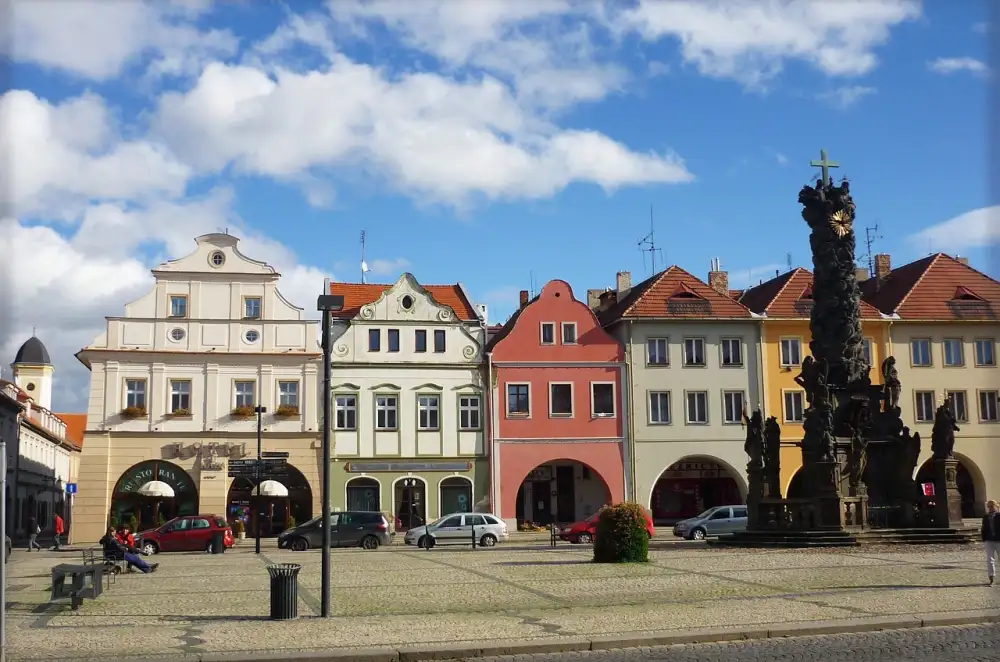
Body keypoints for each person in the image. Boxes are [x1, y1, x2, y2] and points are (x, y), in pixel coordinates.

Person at [983, 499, 1000, 586]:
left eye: (992, 506)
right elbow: (983, 528)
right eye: (989, 507)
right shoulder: (986, 517)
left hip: (998, 540)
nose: (990, 508)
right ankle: (991, 577)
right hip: (989, 540)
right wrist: (984, 539)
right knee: (990, 559)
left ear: (996, 507)